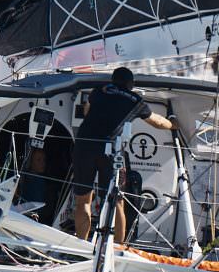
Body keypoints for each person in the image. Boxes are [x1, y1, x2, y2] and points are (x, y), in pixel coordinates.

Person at [72, 67, 175, 243]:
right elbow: (157, 122)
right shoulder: (135, 100)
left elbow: (87, 110)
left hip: (84, 146)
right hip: (110, 151)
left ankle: (81, 245)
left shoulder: (99, 91)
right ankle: (118, 249)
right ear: (131, 84)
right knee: (116, 200)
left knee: (83, 200)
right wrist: (173, 125)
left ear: (112, 80)